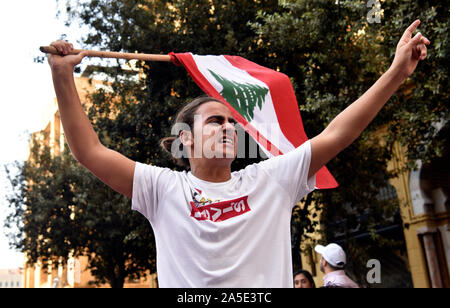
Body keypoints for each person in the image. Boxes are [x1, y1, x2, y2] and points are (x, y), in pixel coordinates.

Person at [46, 20, 429, 287]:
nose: (229, 127)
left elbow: (338, 133)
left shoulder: (272, 180)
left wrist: (396, 72)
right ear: (186, 140)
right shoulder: (161, 189)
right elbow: (88, 150)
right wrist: (63, 74)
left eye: (232, 121)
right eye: (215, 121)